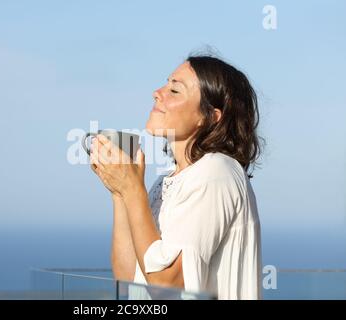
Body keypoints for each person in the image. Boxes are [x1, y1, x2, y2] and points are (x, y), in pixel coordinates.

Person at [89, 54, 263, 300]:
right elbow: (130, 279)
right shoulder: (166, 182)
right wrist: (120, 192)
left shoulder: (216, 172)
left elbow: (168, 283)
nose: (157, 92)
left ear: (210, 117)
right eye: (165, 84)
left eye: (175, 90)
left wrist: (132, 190)